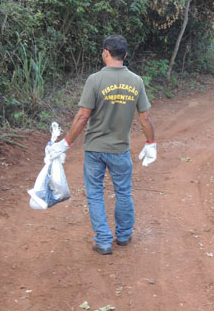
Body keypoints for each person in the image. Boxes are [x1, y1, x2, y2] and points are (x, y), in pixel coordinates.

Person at [50, 34, 156, 255]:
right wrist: (151, 142)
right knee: (123, 192)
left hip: (95, 150)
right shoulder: (136, 81)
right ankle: (124, 235)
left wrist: (66, 143)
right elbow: (145, 118)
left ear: (106, 52)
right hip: (120, 149)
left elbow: (82, 117)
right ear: (125, 55)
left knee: (95, 194)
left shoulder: (95, 80)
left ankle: (104, 240)